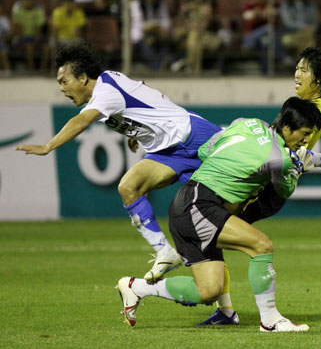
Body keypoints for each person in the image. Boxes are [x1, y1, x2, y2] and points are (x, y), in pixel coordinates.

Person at [15, 42, 222, 283]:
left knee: (224, 214)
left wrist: (47, 146)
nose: (61, 89)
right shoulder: (104, 90)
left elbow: (81, 122)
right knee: (128, 187)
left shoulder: (105, 92)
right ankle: (164, 251)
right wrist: (133, 134)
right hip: (167, 151)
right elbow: (141, 101)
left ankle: (229, 304)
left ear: (82, 78)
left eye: (64, 81)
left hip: (196, 137)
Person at [116, 96, 321, 332]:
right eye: (305, 133)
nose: (307, 140)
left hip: (186, 205)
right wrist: (298, 170)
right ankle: (271, 320)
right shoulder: (279, 158)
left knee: (208, 291)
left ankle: (136, 288)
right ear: (287, 127)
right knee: (261, 246)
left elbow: (206, 149)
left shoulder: (249, 123)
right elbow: (284, 190)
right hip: (199, 206)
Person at [198, 46, 321, 326]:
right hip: (269, 185)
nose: (296, 74)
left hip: (267, 190)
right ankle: (225, 310)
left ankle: (225, 309)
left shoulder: (312, 113)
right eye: (297, 67)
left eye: (304, 70)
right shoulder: (309, 107)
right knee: (213, 235)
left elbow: (290, 157)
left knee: (211, 233)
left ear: (318, 80)